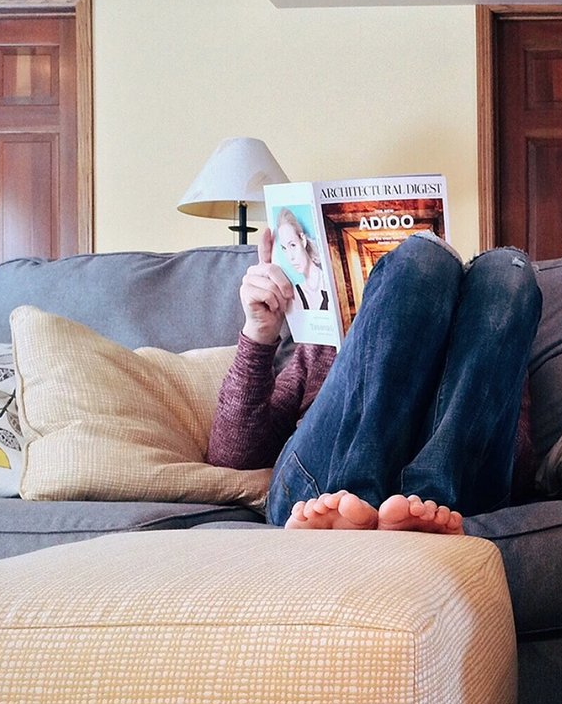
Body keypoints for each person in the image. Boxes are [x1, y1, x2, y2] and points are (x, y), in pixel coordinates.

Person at [206, 226, 542, 533]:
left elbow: (520, 469)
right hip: (318, 490)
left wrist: (466, 381)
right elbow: (233, 457)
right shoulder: (320, 345)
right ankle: (352, 497)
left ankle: (423, 504)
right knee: (423, 256)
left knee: (509, 270)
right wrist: (259, 332)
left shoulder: (492, 336)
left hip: (454, 494)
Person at [275, 207, 330, 311]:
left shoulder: (329, 279)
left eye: (292, 245)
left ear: (303, 240)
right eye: (284, 249)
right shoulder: (297, 293)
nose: (290, 257)